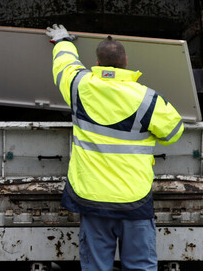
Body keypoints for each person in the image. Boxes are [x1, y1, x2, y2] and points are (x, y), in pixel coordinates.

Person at [45, 24, 184, 271]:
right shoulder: (146, 98)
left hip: (92, 197)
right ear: (126, 61)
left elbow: (64, 66)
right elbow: (173, 132)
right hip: (134, 198)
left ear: (96, 62)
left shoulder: (80, 86)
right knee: (140, 266)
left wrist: (63, 41)